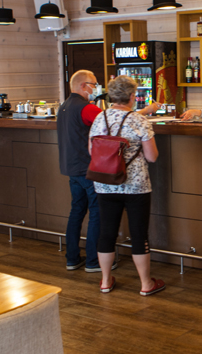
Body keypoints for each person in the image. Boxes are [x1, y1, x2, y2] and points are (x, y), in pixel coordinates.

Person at [89, 75, 165, 296]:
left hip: (105, 184)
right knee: (139, 234)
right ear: (132, 96)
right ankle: (146, 284)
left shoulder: (100, 118)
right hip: (136, 185)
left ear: (111, 96)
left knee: (107, 232)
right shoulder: (139, 121)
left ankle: (105, 281)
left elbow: (91, 151)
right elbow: (152, 157)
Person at [57, 69, 105, 272]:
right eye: (94, 84)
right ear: (83, 86)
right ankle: (93, 261)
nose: (96, 88)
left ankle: (72, 258)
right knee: (96, 213)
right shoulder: (86, 108)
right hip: (88, 168)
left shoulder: (64, 107)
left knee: (76, 211)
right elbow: (110, 123)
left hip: (71, 168)